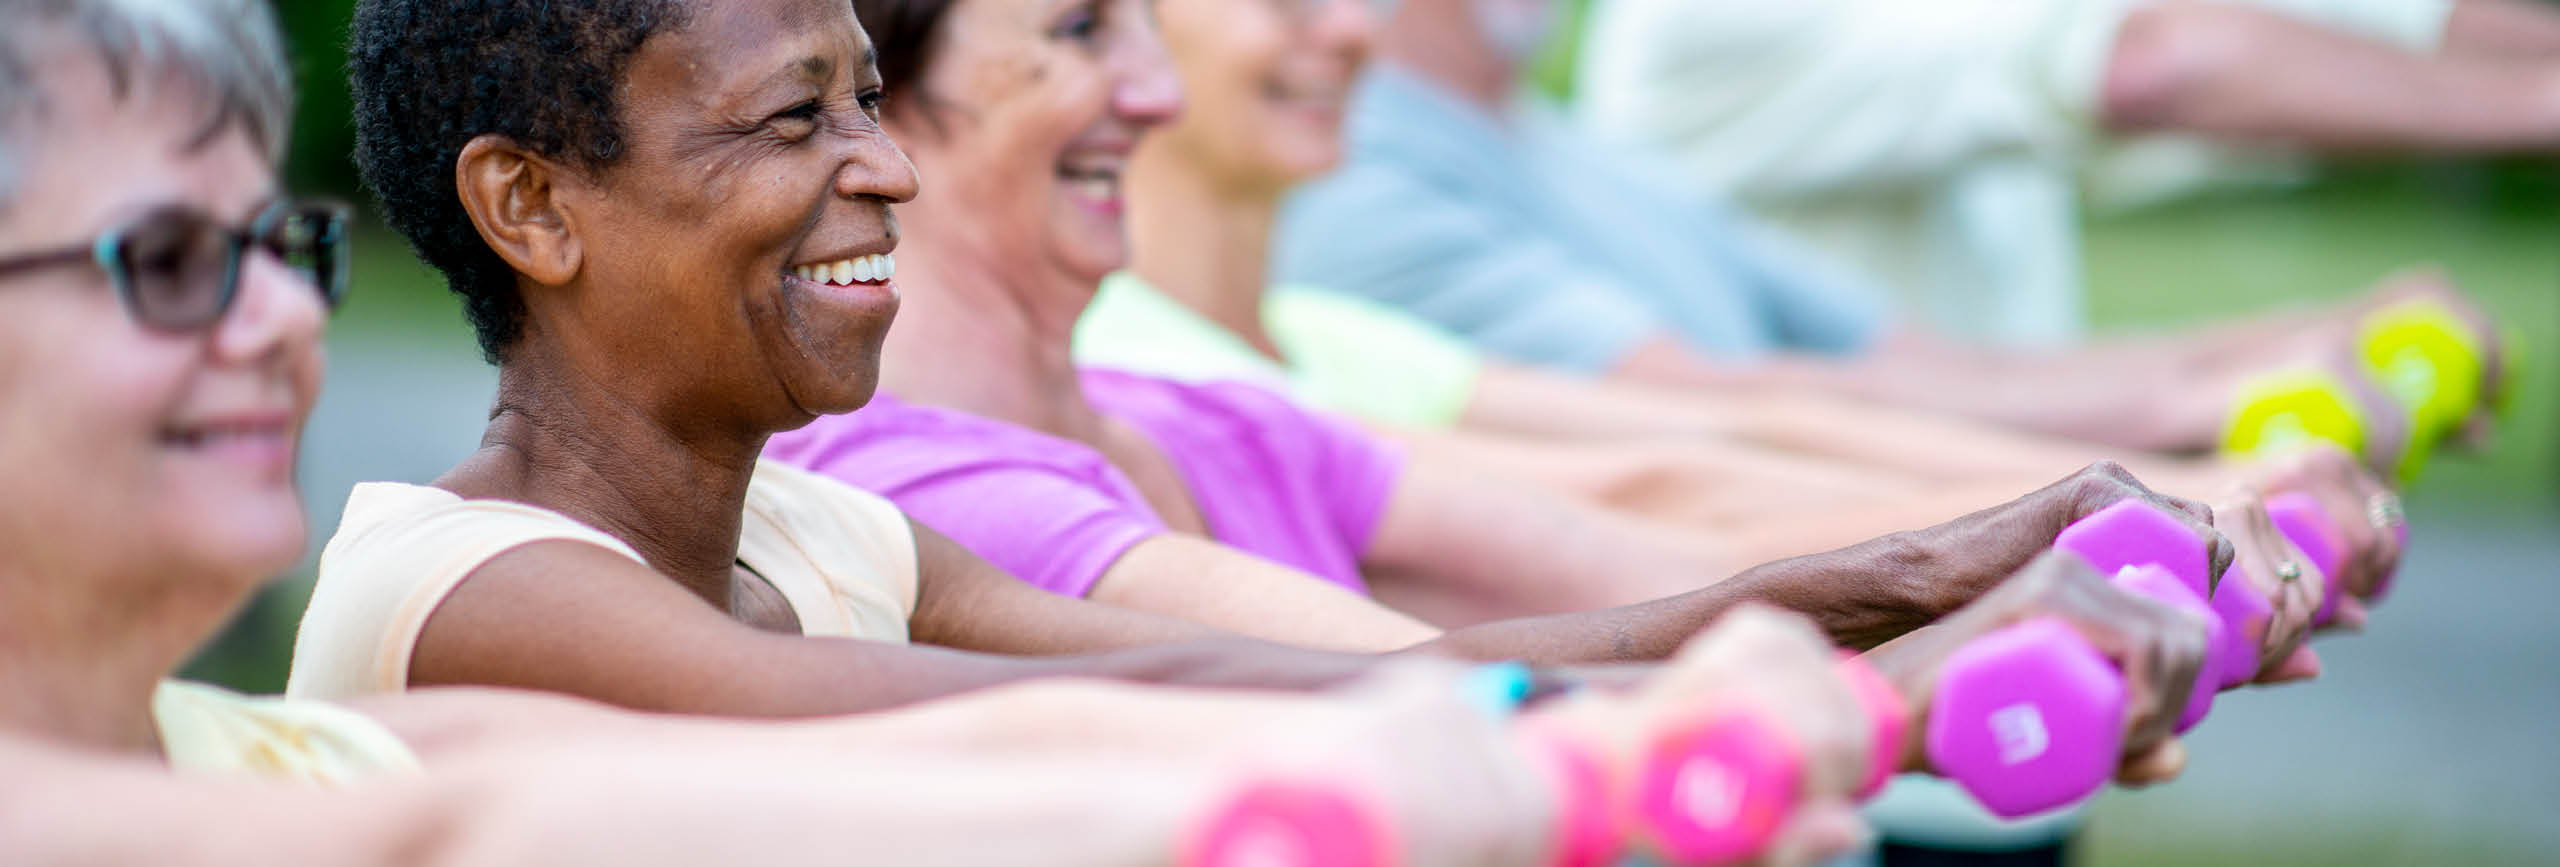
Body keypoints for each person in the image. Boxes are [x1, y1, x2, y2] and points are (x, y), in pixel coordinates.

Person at [0, 0, 1640, 862]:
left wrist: (1803, 614)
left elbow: (1100, 688)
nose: (887, 165)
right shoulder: (471, 590)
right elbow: (922, 734)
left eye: (275, 253)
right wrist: (1523, 729)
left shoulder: (821, 524)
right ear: (530, 206)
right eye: (165, 265)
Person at [761, 0, 2316, 688]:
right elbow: (1429, 680)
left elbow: (1638, 512)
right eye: (1086, 29)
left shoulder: (1194, 408)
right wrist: (1933, 639)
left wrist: (2144, 502)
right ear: (878, 105)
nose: (1156, 89)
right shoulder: (925, 477)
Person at [1085, 0, 2410, 576]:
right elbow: (1659, 482)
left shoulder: (1333, 324)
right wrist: (2127, 495)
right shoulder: (1181, 343)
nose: (1346, 25)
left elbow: (1733, 436)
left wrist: (2177, 444)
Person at [1269, 0, 2509, 459]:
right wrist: (2179, 424)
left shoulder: (1552, 140)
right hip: (1836, 720)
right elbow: (1714, 410)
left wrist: (2266, 348)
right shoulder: (1343, 177)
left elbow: (1908, 363)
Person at [1576, 0, 2560, 345]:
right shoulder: (1708, 17)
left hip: (1989, 655)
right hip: (1812, 696)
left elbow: (2345, 16)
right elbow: (2151, 64)